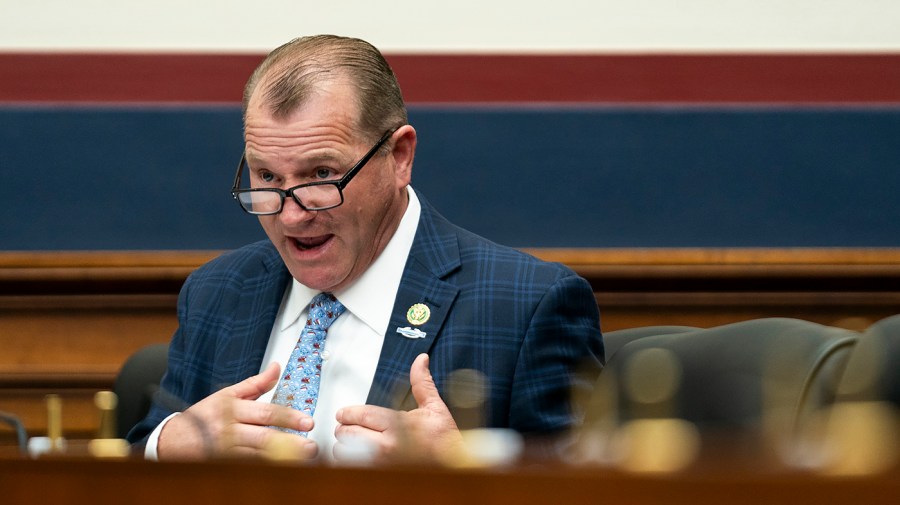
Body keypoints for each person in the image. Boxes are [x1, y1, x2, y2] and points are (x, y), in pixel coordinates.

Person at [127, 34, 604, 463]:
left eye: (321, 175)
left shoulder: (525, 307)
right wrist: (167, 445)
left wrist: (465, 471)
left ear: (399, 157)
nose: (292, 215)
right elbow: (126, 466)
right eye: (268, 177)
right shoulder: (219, 292)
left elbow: (594, 494)